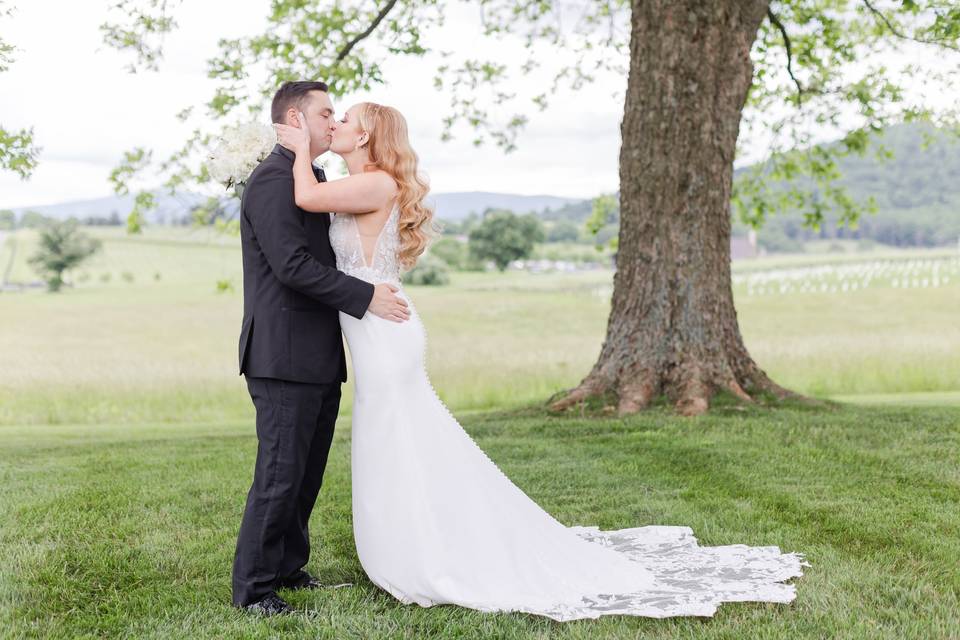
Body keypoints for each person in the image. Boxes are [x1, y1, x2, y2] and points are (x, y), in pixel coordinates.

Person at [272, 99, 808, 621]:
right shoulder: (360, 183)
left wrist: (297, 150)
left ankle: (425, 551)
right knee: (397, 437)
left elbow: (304, 197)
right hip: (373, 327)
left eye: (346, 119)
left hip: (384, 331)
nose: (336, 123)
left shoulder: (376, 182)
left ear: (365, 136)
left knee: (397, 437)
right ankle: (418, 539)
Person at [232, 81, 411, 615]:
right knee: (280, 473)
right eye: (325, 112)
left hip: (318, 352)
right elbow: (291, 266)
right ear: (295, 118)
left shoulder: (313, 176)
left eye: (338, 114)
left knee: (305, 472)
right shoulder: (270, 180)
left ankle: (290, 567)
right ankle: (256, 589)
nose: (332, 122)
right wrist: (367, 297)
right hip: (283, 352)